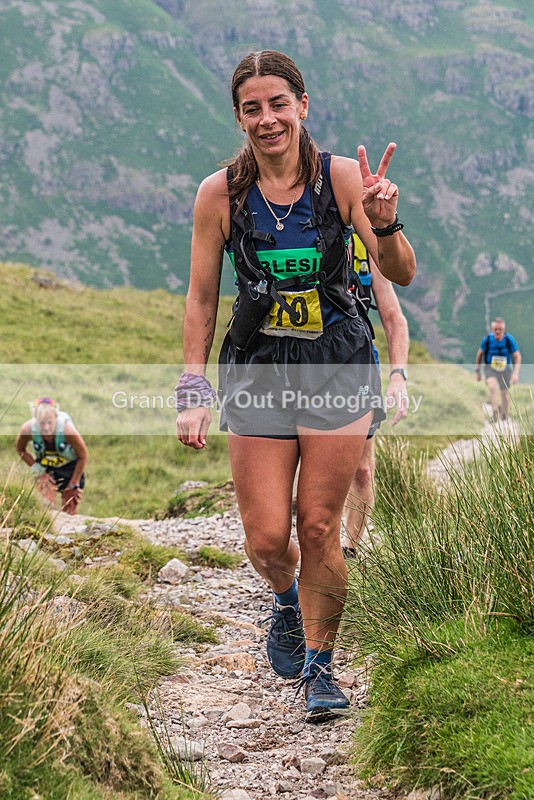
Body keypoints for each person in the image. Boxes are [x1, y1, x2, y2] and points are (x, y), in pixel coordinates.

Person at [175, 50, 415, 723]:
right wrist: (191, 385)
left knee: (317, 525)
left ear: (302, 105)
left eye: (278, 103)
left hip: (337, 363)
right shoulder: (218, 195)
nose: (267, 118)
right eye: (252, 108)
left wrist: (384, 217)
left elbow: (401, 272)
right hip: (256, 368)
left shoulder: (342, 180)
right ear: (240, 118)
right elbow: (200, 299)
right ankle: (287, 600)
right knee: (262, 539)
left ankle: (320, 667)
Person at [342, 236, 409, 553]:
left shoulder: (367, 243)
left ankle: (350, 550)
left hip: (359, 362)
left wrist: (398, 376)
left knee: (362, 471)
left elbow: (395, 318)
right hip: (305, 364)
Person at [15, 398, 88, 515]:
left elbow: (83, 456)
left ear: (56, 418)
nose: (46, 428)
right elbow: (20, 449)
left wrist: (73, 483)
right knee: (45, 507)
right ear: (36, 420)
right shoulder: (27, 429)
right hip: (45, 467)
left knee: (69, 509)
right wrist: (38, 471)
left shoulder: (67, 430)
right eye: (42, 423)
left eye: (50, 422)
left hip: (70, 468)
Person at [475, 318, 521, 422]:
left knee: (504, 393)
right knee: (491, 386)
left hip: (505, 369)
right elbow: (479, 354)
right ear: (492, 329)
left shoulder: (509, 339)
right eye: (495, 329)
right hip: (490, 367)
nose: (497, 331)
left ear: (503, 330)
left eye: (500, 329)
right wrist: (477, 371)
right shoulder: (487, 340)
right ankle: (495, 413)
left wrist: (516, 374)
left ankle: (504, 414)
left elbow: (517, 356)